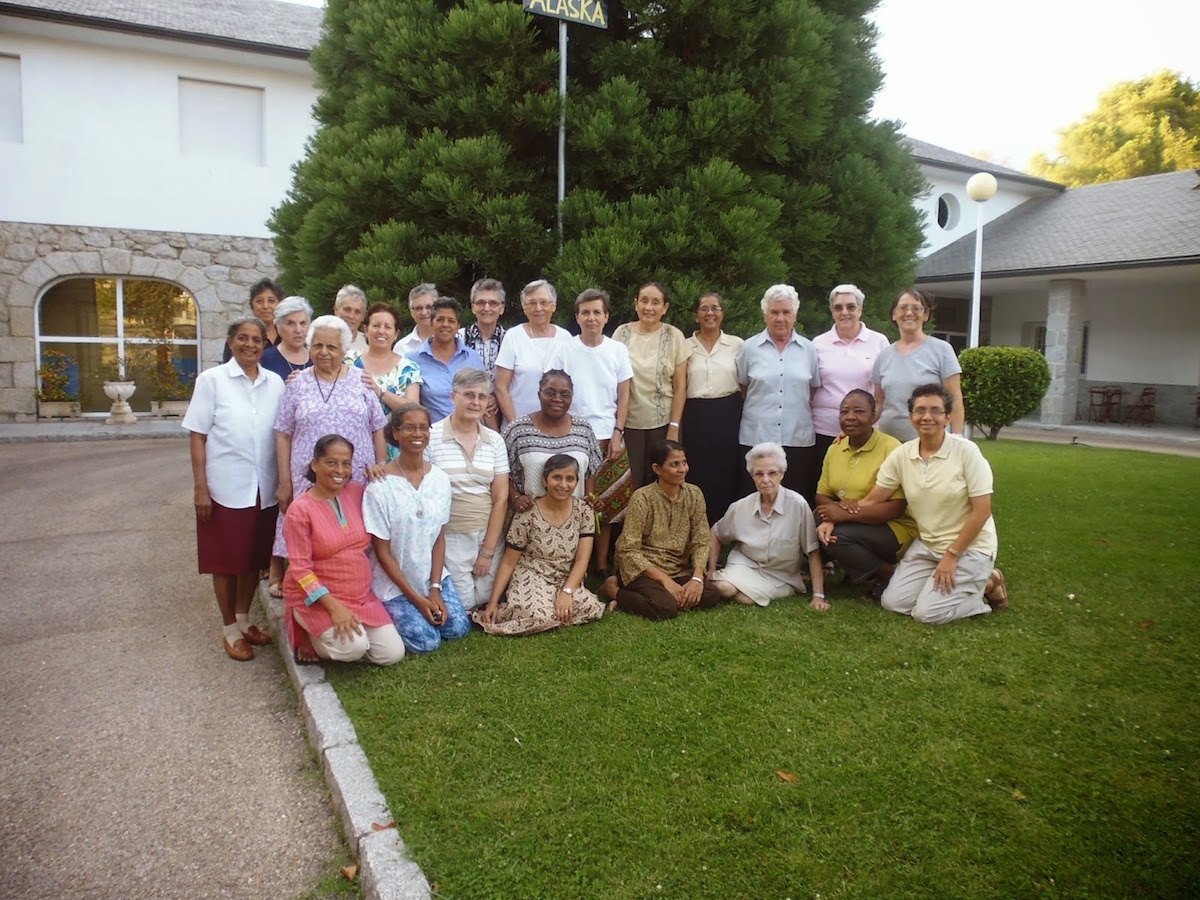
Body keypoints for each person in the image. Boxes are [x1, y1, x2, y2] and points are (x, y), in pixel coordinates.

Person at [858, 384, 1008, 625]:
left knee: (927, 614)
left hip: (970, 548)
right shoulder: (902, 454)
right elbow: (874, 498)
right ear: (911, 417)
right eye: (920, 410)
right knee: (893, 603)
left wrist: (952, 556)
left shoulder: (967, 452)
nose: (927, 416)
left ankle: (987, 584)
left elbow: (982, 512)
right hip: (928, 546)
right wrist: (834, 518)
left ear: (948, 417)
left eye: (935, 410)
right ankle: (952, 588)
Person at [183, 317, 285, 660]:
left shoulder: (274, 383)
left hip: (264, 487)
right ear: (230, 341)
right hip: (224, 487)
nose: (250, 344)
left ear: (264, 345)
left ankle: (243, 619)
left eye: (257, 339)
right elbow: (198, 436)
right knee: (226, 561)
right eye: (242, 338)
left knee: (252, 557)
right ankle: (229, 627)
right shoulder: (212, 381)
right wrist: (201, 488)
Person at [272, 315, 389, 596]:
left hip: (355, 475)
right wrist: (285, 481)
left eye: (332, 347)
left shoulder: (361, 381)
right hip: (308, 476)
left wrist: (381, 465)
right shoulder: (297, 384)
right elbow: (283, 433)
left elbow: (378, 427)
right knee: (307, 529)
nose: (324, 352)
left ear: (344, 350)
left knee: (351, 530)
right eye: (317, 345)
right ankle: (307, 585)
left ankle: (351, 583)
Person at [282, 434, 405, 665]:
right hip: (318, 600)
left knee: (392, 654)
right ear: (315, 464)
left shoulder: (357, 492)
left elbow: (389, 490)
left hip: (359, 596)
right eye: (331, 462)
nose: (340, 470)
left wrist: (378, 470)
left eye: (346, 464)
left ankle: (344, 636)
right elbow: (301, 570)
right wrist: (334, 609)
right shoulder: (300, 511)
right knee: (353, 648)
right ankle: (309, 633)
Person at [364, 404, 470, 653]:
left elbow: (439, 537)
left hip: (429, 577)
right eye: (409, 428)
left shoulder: (440, 480)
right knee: (426, 641)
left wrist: (435, 589)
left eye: (423, 428)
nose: (418, 434)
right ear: (395, 432)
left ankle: (426, 603)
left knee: (458, 628)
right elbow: (382, 552)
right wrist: (417, 600)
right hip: (394, 585)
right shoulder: (379, 487)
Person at [545, 288, 633, 575]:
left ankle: (602, 563)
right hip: (573, 436)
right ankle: (570, 562)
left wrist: (618, 432)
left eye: (597, 312)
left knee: (606, 502)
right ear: (577, 317)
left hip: (609, 435)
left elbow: (624, 394)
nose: (591, 317)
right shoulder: (564, 349)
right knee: (571, 499)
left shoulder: (617, 350)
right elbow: (553, 391)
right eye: (585, 312)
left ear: (606, 317)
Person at [476, 455, 605, 636]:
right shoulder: (528, 513)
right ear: (545, 480)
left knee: (590, 607)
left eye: (570, 479)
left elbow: (582, 561)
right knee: (537, 614)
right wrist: (493, 603)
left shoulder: (584, 512)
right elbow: (508, 562)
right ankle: (537, 611)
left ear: (577, 482)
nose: (563, 485)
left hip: (564, 576)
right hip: (532, 574)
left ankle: (554, 610)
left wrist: (567, 592)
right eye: (557, 477)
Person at [814, 390, 918, 600]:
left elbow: (896, 507)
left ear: (873, 415)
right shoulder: (835, 449)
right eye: (844, 412)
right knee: (813, 519)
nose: (850, 417)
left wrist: (843, 514)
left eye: (859, 411)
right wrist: (839, 507)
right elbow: (822, 495)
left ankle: (888, 575)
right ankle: (852, 568)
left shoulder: (891, 448)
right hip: (854, 520)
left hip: (893, 527)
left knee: (838, 537)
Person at [601, 440, 722, 620]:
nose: (682, 469)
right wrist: (666, 582)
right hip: (643, 569)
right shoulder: (642, 498)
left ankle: (650, 596)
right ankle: (612, 590)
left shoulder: (694, 494)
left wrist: (697, 579)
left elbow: (702, 540)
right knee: (665, 608)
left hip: (677, 569)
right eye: (674, 464)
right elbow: (628, 549)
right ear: (657, 469)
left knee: (711, 595)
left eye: (684, 463)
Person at [424, 367, 509, 611]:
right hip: (450, 536)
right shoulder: (431, 436)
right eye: (469, 395)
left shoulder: (495, 440)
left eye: (482, 397)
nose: (476, 402)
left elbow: (501, 498)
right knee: (465, 605)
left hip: (487, 532)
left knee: (486, 598)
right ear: (453, 397)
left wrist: (488, 551)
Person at [709, 442, 827, 610]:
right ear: (752, 476)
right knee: (723, 588)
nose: (765, 480)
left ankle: (746, 589)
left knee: (745, 599)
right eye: (759, 474)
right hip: (744, 565)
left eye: (772, 473)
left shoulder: (798, 505)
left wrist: (818, 596)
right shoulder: (740, 507)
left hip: (781, 575)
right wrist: (711, 569)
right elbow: (716, 533)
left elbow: (812, 550)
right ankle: (732, 583)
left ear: (782, 474)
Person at [736, 283, 821, 505]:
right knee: (755, 500)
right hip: (757, 436)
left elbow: (812, 389)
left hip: (797, 438)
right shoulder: (749, 348)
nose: (780, 318)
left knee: (796, 500)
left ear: (795, 315)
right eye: (774, 312)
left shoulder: (809, 350)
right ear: (765, 314)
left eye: (786, 312)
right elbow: (743, 386)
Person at [612, 282, 691, 489]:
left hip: (663, 423)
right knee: (631, 482)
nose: (649, 307)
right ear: (635, 304)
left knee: (664, 481)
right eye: (644, 301)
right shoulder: (621, 334)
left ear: (665, 308)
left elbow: (680, 387)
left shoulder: (674, 336)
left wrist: (674, 427)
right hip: (629, 423)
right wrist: (617, 427)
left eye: (656, 302)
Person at [682, 291, 744, 524]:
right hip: (696, 415)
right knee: (697, 469)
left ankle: (725, 527)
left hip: (728, 413)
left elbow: (745, 383)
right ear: (696, 315)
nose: (710, 313)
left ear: (722, 314)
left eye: (715, 308)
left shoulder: (737, 344)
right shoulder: (685, 345)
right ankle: (698, 525)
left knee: (727, 469)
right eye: (704, 309)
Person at [505, 370, 602, 514]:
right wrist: (516, 498)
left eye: (565, 395)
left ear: (572, 397)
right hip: (530, 516)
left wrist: (589, 498)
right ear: (539, 394)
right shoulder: (518, 430)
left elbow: (590, 471)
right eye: (550, 393)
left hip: (574, 517)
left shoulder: (584, 428)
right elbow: (501, 472)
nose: (557, 399)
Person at [811, 284, 890, 461]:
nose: (844, 312)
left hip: (864, 432)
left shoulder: (879, 342)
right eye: (838, 307)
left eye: (851, 307)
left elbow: (882, 393)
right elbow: (811, 389)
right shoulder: (818, 344)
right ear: (832, 311)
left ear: (860, 309)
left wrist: (867, 424)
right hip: (823, 430)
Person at [872, 288, 964, 440]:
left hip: (930, 443)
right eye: (903, 308)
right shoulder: (884, 356)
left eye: (916, 308)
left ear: (926, 315)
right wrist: (857, 429)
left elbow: (955, 399)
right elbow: (878, 403)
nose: (909, 313)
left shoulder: (942, 350)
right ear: (894, 314)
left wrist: (958, 437)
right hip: (890, 443)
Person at [494, 279, 571, 425]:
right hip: (519, 423)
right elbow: (501, 386)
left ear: (553, 306)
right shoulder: (513, 336)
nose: (538, 308)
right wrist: (515, 424)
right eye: (532, 303)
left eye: (544, 302)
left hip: (557, 426)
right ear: (524, 308)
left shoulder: (565, 338)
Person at [406, 297, 484, 422]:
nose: (445, 324)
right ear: (431, 323)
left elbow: (484, 400)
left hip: (470, 429)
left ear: (458, 326)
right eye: (440, 319)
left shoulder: (472, 359)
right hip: (432, 431)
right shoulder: (413, 360)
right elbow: (410, 405)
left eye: (451, 321)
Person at [347, 302, 422, 416]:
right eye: (376, 325)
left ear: (396, 334)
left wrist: (380, 391)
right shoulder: (348, 361)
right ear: (366, 330)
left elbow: (414, 411)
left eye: (387, 327)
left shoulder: (409, 368)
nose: (381, 331)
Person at [460, 277, 508, 430]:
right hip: (465, 410)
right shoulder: (459, 338)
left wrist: (497, 398)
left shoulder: (511, 340)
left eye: (493, 303)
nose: (487, 308)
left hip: (504, 411)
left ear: (502, 308)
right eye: (481, 302)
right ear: (473, 307)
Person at [221, 278, 281, 362]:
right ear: (252, 305)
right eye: (259, 301)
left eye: (271, 301)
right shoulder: (239, 335)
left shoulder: (286, 335)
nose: (265, 306)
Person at [260, 295, 313, 383]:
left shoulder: (317, 358)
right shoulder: (264, 359)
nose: (298, 330)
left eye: (303, 323)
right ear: (278, 327)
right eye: (290, 323)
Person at [394, 283, 437, 357]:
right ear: (411, 312)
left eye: (429, 307)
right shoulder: (401, 348)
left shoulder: (453, 340)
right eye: (418, 308)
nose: (424, 312)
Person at [334, 284, 369, 354]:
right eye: (347, 309)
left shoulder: (368, 346)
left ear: (363, 316)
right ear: (336, 310)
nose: (351, 316)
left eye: (357, 312)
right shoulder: (322, 340)